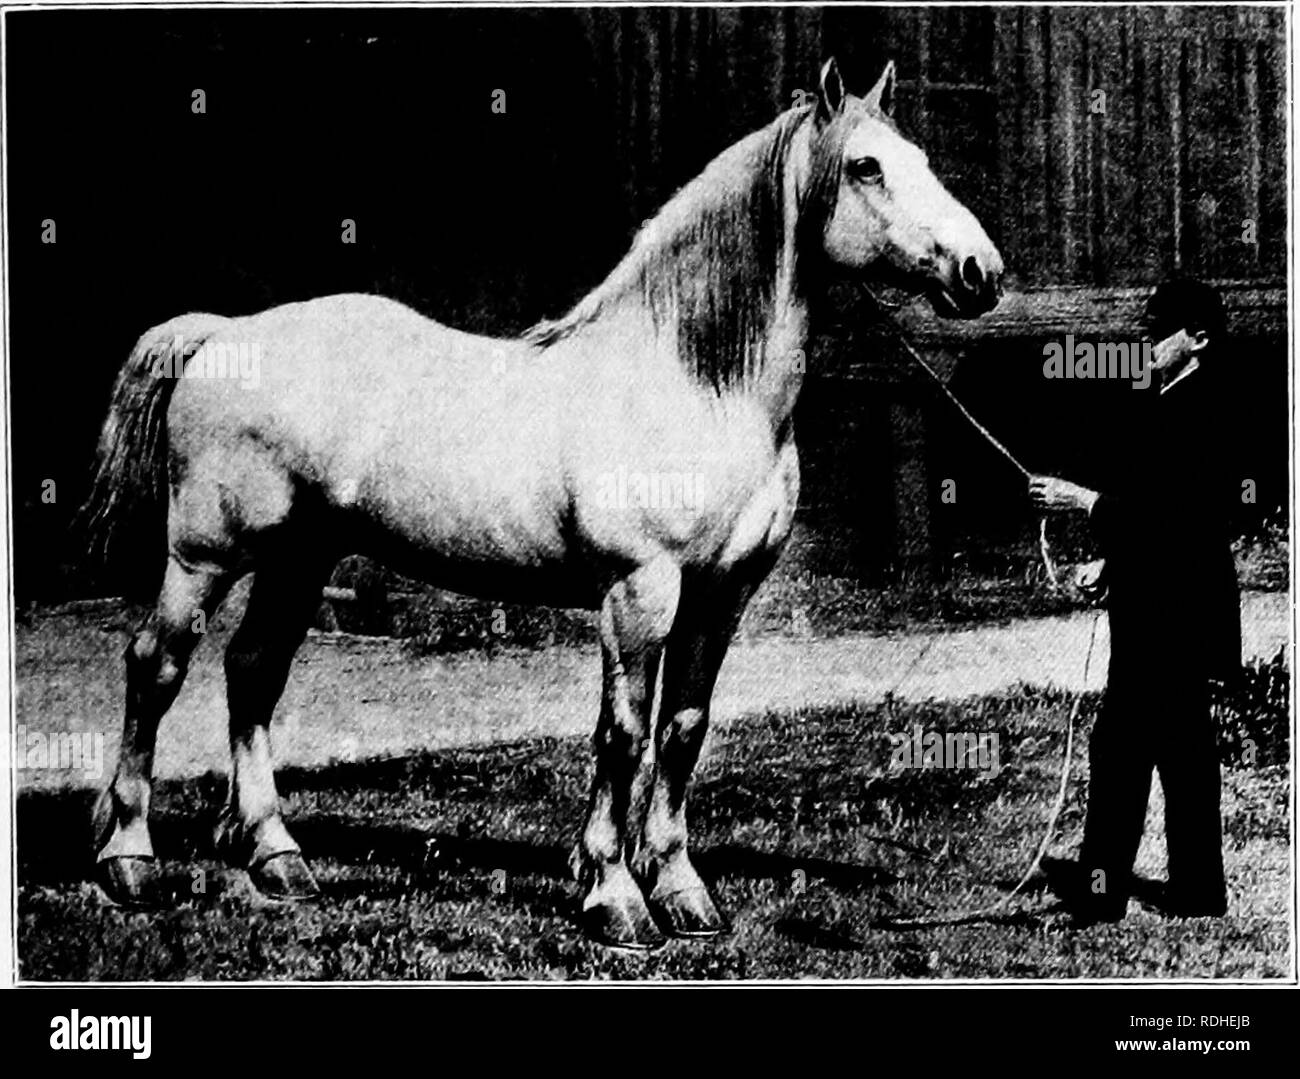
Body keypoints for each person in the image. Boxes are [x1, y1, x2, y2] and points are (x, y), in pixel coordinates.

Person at [1028, 278, 1241, 923]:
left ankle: (1098, 898)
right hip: (1169, 604)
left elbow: (1178, 519)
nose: (1147, 334)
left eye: (1161, 325)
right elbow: (1164, 522)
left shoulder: (1207, 407)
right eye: (1148, 322)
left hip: (1172, 615)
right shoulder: (1173, 401)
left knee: (1120, 749)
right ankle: (1200, 893)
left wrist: (1080, 500)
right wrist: (1110, 562)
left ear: (1198, 338)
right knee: (1182, 752)